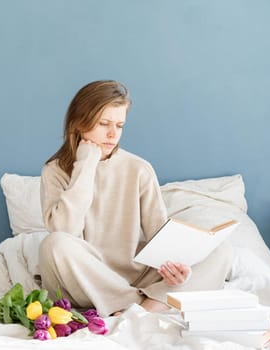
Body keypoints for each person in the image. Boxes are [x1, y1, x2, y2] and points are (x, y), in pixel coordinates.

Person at [38, 80, 233, 317]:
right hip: (82, 281)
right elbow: (65, 229)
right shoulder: (55, 171)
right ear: (79, 124)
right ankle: (149, 303)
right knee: (55, 243)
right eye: (104, 124)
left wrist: (178, 269)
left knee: (221, 251)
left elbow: (158, 235)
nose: (113, 134)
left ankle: (142, 308)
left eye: (119, 126)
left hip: (134, 275)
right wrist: (86, 164)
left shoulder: (139, 169)